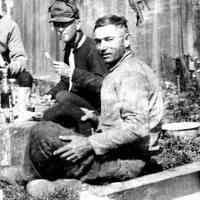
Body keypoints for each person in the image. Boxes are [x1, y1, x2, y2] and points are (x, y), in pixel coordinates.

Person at [0, 15, 163, 197]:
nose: (102, 47)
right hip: (115, 152)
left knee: (44, 133)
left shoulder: (132, 74)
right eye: (99, 41)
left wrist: (88, 143)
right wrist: (98, 118)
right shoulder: (121, 68)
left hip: (129, 161)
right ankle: (42, 180)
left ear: (126, 40)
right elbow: (126, 120)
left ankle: (50, 182)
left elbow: (138, 128)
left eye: (109, 40)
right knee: (46, 129)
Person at [42, 0, 107, 135]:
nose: (60, 29)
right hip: (77, 104)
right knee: (47, 113)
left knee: (63, 97)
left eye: (65, 25)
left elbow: (102, 84)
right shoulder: (70, 46)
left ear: (77, 24)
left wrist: (71, 72)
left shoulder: (91, 48)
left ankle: (88, 132)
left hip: (97, 110)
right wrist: (50, 94)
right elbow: (66, 81)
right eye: (57, 25)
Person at [0, 8, 33, 87]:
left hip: (2, 70)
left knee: (26, 78)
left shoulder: (9, 26)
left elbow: (20, 59)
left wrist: (7, 69)